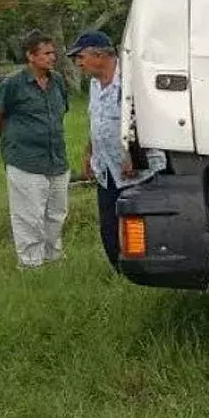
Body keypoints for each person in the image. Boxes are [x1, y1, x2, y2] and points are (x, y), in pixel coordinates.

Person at [68, 30, 165, 266]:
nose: (77, 63)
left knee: (142, 225)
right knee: (109, 227)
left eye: (80, 57)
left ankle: (148, 269)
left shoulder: (133, 79)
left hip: (139, 169)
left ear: (99, 55)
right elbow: (98, 121)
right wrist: (89, 154)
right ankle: (120, 272)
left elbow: (150, 119)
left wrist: (132, 155)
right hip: (107, 169)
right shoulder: (94, 84)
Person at [0, 29, 71, 269]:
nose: (52, 57)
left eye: (53, 53)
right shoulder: (13, 84)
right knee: (28, 216)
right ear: (31, 56)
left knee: (56, 213)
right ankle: (30, 265)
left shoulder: (58, 82)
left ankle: (53, 258)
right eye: (46, 53)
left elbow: (61, 113)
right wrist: (13, 139)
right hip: (25, 160)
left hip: (56, 159)